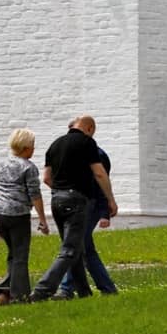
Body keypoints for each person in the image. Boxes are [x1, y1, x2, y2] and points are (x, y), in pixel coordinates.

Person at [30, 113, 118, 301]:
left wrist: (60, 190)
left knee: (76, 248)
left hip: (56, 200)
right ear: (89, 128)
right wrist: (110, 199)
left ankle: (83, 293)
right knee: (70, 250)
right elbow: (100, 174)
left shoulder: (55, 144)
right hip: (77, 199)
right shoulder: (87, 143)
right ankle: (42, 290)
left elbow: (46, 178)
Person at [56, 117, 118, 297]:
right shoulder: (73, 153)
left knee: (77, 244)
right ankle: (106, 288)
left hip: (90, 205)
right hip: (78, 203)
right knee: (84, 247)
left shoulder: (97, 154)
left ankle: (67, 288)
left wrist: (106, 210)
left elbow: (101, 182)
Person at [0, 127, 50, 304]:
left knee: (13, 254)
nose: (34, 149)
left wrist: (5, 197)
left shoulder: (2, 164)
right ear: (25, 148)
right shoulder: (29, 168)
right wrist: (43, 220)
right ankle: (20, 296)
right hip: (18, 215)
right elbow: (35, 195)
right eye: (32, 146)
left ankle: (4, 292)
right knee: (21, 256)